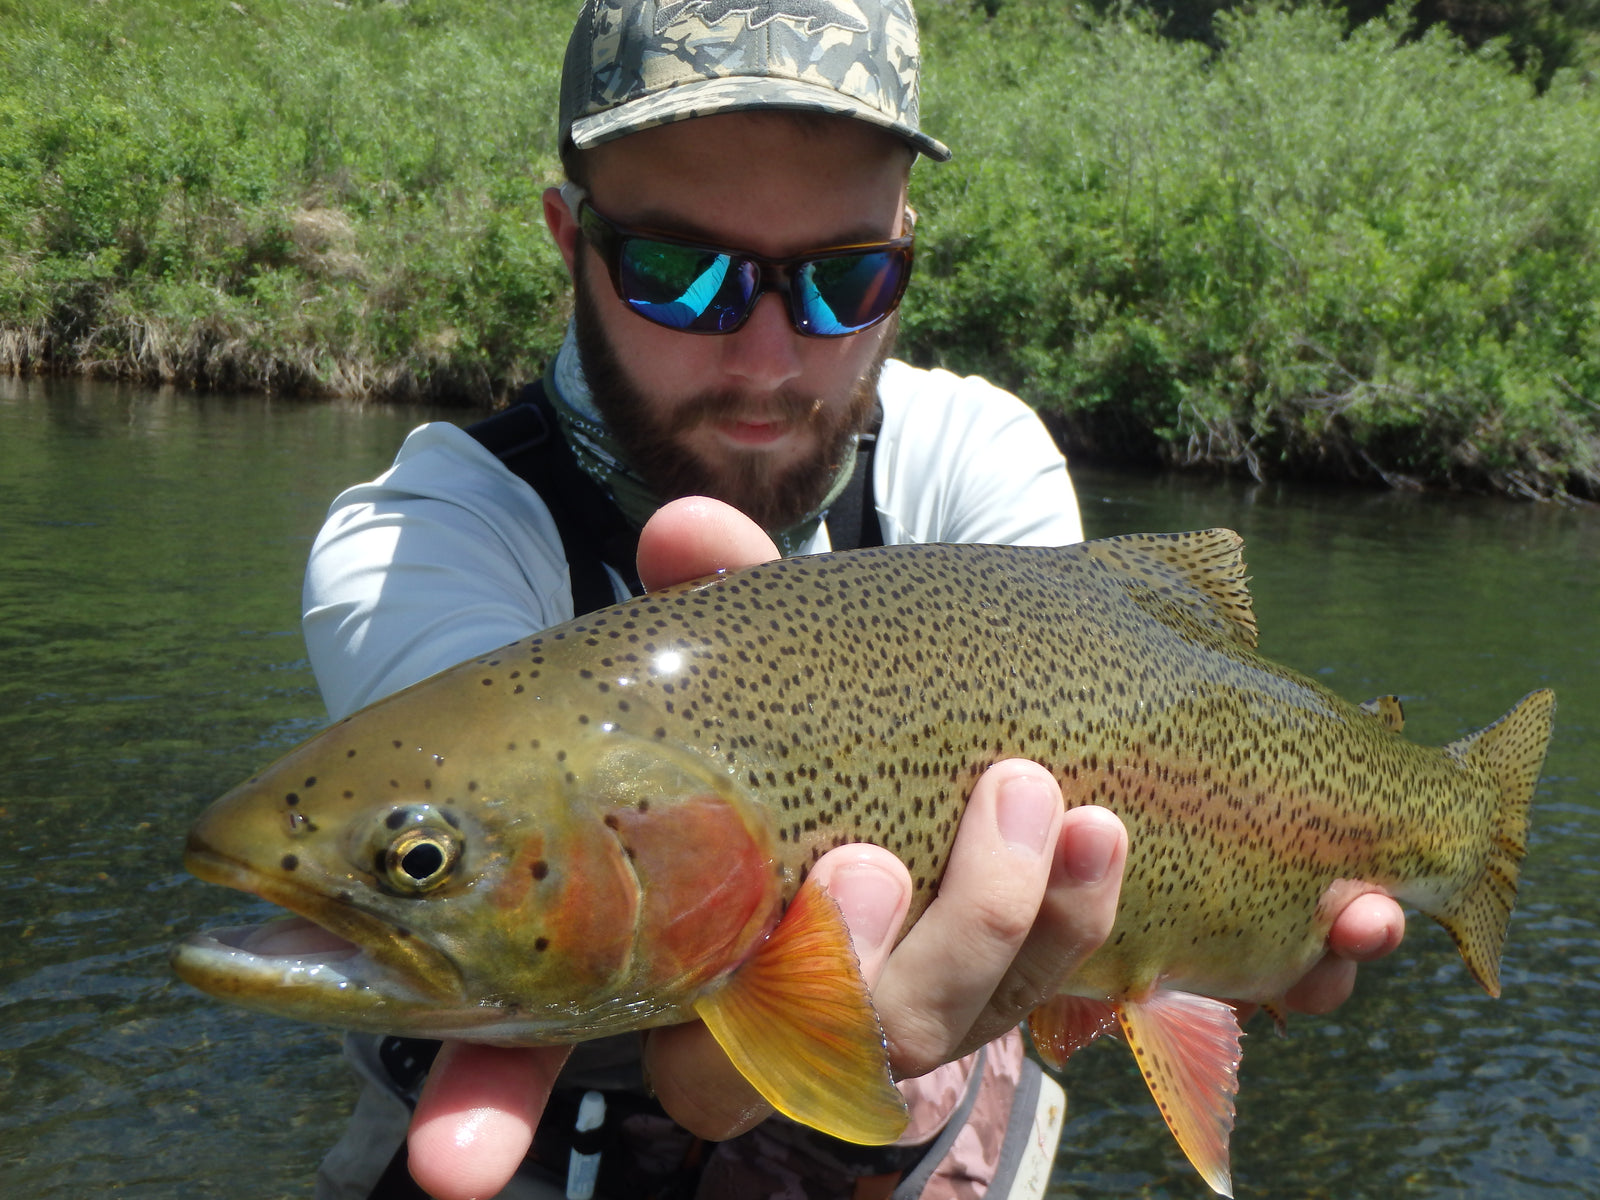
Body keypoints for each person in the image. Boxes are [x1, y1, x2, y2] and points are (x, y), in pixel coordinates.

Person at [302, 3, 1407, 1197]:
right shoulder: (422, 538)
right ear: (572, 240)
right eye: (678, 273)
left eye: (843, 280)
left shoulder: (976, 456)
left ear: (906, 253)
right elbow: (495, 844)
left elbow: (1137, 751)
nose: (768, 359)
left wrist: (1210, 923)